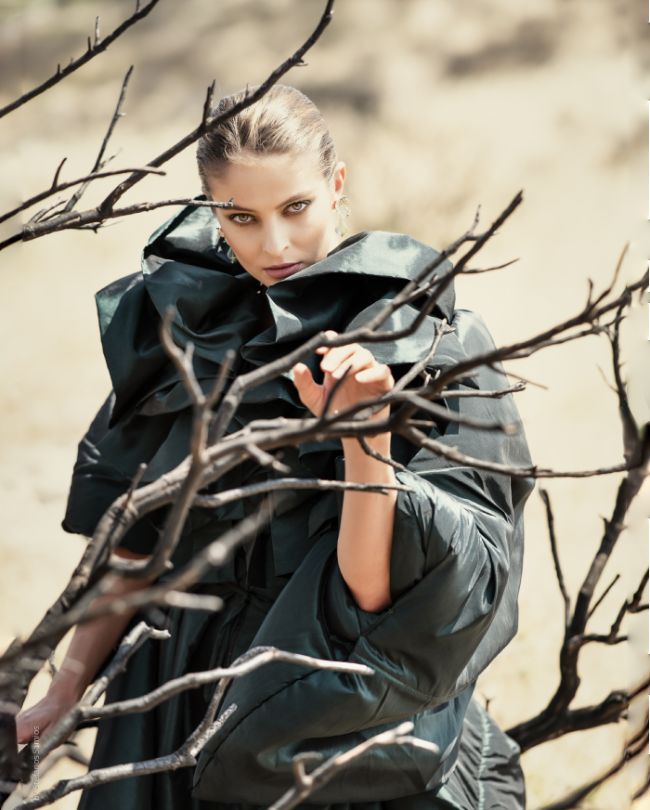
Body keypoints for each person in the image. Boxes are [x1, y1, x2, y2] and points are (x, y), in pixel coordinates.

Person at [16, 84, 534, 809]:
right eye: (241, 218)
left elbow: (375, 602)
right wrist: (66, 685)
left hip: (323, 706)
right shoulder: (186, 326)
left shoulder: (426, 343)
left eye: (296, 208)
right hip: (174, 693)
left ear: (337, 185)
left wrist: (365, 442)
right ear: (210, 211)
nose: (275, 245)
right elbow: (136, 548)